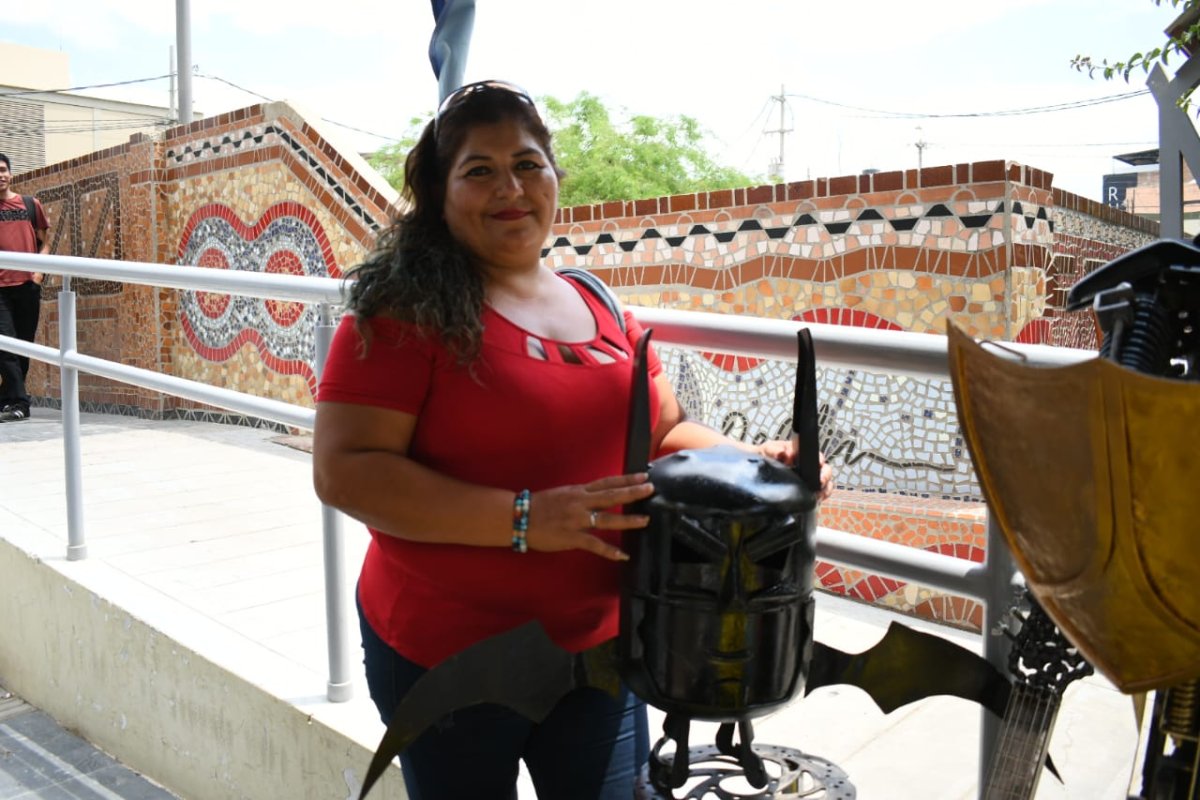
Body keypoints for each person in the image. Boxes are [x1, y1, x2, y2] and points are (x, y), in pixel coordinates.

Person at [311, 80, 834, 800]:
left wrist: (758, 465)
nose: (510, 188)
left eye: (528, 164)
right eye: (479, 170)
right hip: (452, 660)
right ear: (438, 194)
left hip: (601, 649)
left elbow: (661, 432)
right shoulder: (403, 313)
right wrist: (525, 519)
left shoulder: (598, 304)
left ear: (556, 178)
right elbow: (347, 473)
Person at [0, 153, 49, 423]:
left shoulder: (31, 204)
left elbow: (45, 242)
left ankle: (7, 399)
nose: (0, 175)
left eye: (3, 169)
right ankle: (21, 403)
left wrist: (38, 274)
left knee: (23, 346)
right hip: (0, 290)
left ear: (10, 173)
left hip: (28, 287)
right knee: (5, 346)